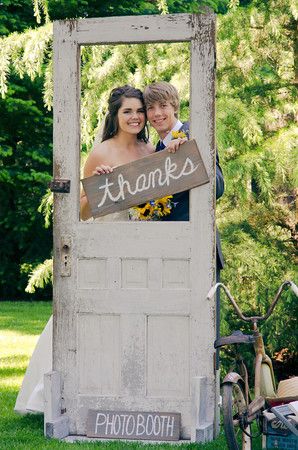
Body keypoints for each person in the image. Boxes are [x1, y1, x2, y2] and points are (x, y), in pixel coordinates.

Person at [14, 84, 181, 414]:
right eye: (127, 111)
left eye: (138, 111)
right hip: (107, 246)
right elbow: (79, 211)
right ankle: (74, 392)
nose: (135, 117)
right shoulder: (101, 153)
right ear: (115, 116)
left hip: (142, 249)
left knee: (135, 322)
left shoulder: (153, 152)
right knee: (97, 323)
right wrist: (102, 186)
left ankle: (131, 392)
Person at [144, 81, 225, 368]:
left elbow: (217, 187)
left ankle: (209, 393)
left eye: (163, 106)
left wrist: (186, 158)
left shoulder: (193, 132)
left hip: (198, 246)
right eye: (151, 108)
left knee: (202, 328)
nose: (157, 113)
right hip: (169, 250)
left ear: (174, 106)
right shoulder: (156, 147)